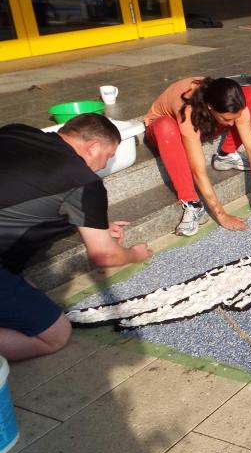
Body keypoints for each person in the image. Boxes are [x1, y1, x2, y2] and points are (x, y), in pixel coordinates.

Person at [0, 114, 153, 361]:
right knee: (55, 334)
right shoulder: (83, 181)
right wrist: (135, 254)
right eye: (108, 155)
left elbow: (21, 193)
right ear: (92, 147)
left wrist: (93, 225)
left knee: (32, 295)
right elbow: (104, 254)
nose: (105, 164)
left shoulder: (17, 131)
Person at [144, 76, 251, 236]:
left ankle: (226, 155)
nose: (232, 125)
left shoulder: (229, 104)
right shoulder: (187, 111)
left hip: (205, 123)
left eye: (235, 118)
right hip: (166, 131)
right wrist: (221, 215)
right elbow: (198, 171)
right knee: (165, 127)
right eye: (227, 119)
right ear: (211, 107)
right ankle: (192, 203)